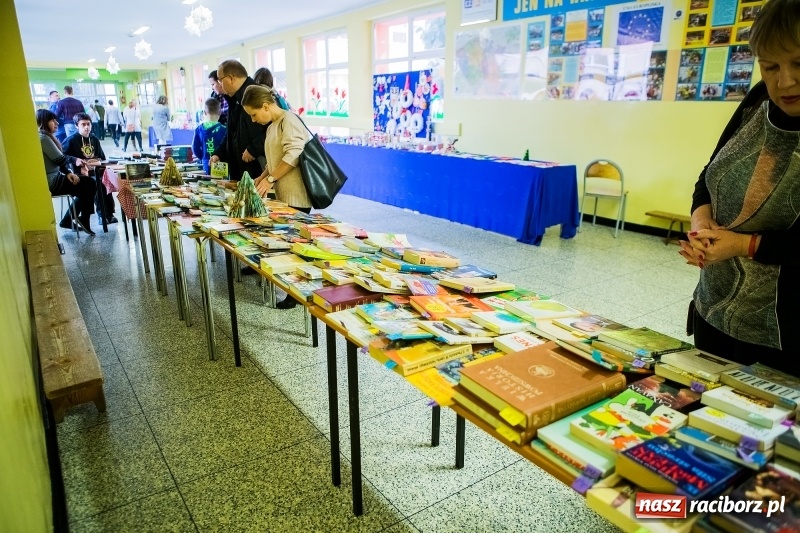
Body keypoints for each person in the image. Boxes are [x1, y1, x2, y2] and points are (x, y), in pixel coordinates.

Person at [680, 0, 800, 375]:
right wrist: (702, 221)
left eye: (799, 63)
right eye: (770, 66)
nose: (784, 81)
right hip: (715, 310)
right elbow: (710, 174)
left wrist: (745, 245)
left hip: (783, 334)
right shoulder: (757, 100)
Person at [242, 85, 311, 304]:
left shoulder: (289, 120)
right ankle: (288, 284)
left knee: (295, 244)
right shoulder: (272, 125)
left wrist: (270, 179)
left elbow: (294, 155)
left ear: (265, 106)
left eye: (254, 114)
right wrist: (262, 177)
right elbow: (274, 160)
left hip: (297, 194)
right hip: (283, 193)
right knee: (285, 239)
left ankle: (296, 294)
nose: (253, 120)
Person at [36, 109, 96, 234]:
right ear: (44, 121)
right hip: (53, 181)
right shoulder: (43, 138)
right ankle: (82, 218)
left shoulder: (45, 136)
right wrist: (69, 171)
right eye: (53, 120)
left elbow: (60, 159)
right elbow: (60, 159)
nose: (56, 123)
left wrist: (68, 172)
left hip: (55, 177)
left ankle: (70, 219)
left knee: (87, 185)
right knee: (89, 184)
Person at [208, 60, 266, 181]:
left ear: (231, 79)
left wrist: (254, 149)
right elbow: (232, 133)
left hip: (257, 169)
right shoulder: (233, 98)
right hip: (239, 170)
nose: (218, 84)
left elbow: (272, 129)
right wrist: (219, 153)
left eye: (220, 80)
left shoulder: (256, 94)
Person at [62, 112, 117, 225]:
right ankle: (102, 216)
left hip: (95, 170)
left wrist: (100, 163)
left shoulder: (94, 139)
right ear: (77, 126)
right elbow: (62, 157)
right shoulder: (71, 140)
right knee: (95, 184)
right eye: (83, 124)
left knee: (106, 182)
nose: (87, 127)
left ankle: (109, 214)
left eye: (88, 124)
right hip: (78, 173)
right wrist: (74, 160)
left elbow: (102, 157)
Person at [192, 98, 227, 174]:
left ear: (204, 113)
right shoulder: (224, 129)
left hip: (205, 161)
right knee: (221, 183)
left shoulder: (199, 129)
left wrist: (202, 157)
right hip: (221, 162)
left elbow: (195, 148)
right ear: (220, 113)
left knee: (207, 183)